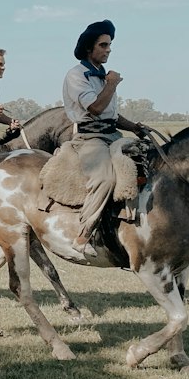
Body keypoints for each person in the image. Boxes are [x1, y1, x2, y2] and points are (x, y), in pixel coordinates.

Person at [62, 20, 147, 256]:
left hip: (112, 134)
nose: (108, 49)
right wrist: (110, 84)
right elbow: (97, 108)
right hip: (89, 139)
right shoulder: (76, 75)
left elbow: (112, 115)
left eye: (109, 45)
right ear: (90, 48)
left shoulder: (102, 74)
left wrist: (136, 128)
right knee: (105, 179)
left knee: (146, 160)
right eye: (103, 45)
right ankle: (83, 234)